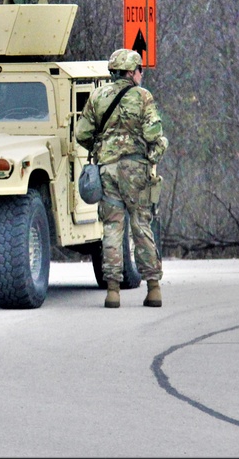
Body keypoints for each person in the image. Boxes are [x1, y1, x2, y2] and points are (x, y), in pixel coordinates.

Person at [75, 48, 168, 309]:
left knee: (112, 228)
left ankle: (113, 292)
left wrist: (101, 147)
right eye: (139, 70)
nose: (141, 75)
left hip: (108, 169)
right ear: (131, 72)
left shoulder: (97, 96)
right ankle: (153, 289)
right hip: (135, 170)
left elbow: (82, 134)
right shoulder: (142, 96)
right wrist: (156, 144)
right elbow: (153, 132)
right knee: (141, 225)